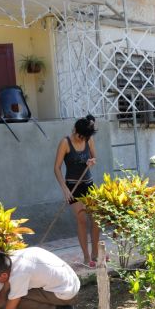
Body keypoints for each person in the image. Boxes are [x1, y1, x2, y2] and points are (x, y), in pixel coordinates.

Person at [54, 115, 100, 268]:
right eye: (81, 136)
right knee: (82, 220)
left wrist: (92, 161)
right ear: (75, 130)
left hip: (88, 184)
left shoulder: (88, 139)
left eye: (85, 137)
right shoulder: (65, 143)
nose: (82, 140)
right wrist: (65, 189)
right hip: (73, 187)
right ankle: (87, 257)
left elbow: (94, 157)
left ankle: (96, 254)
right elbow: (57, 168)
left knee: (96, 220)